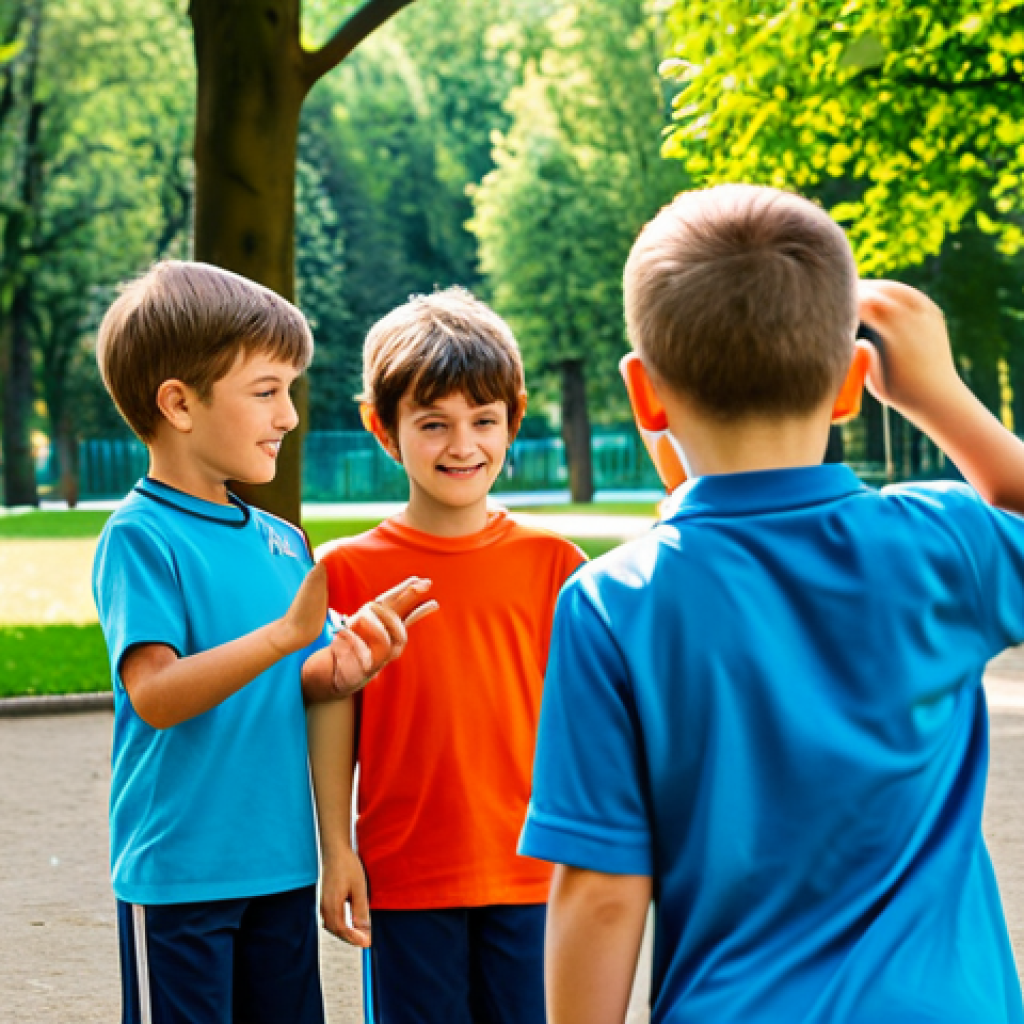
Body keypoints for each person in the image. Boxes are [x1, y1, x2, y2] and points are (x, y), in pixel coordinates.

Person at [520, 184, 1024, 1024]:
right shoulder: (948, 542)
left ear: (643, 395)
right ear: (854, 386)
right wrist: (940, 393)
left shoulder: (614, 602)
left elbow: (602, 894)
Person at [91, 260, 427, 1024]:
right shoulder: (140, 536)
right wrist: (285, 638)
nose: (289, 417)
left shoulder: (282, 541)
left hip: (280, 868)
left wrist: (338, 668)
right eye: (266, 391)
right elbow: (155, 695)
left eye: (291, 392)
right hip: (179, 878)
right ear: (178, 403)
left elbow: (295, 680)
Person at [307, 287, 586, 1024]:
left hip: (537, 875)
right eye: (433, 424)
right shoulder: (343, 571)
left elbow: (588, 728)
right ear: (383, 429)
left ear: (514, 419)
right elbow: (331, 712)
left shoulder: (558, 564)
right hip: (405, 878)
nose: (463, 446)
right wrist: (337, 848)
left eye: (483, 421)